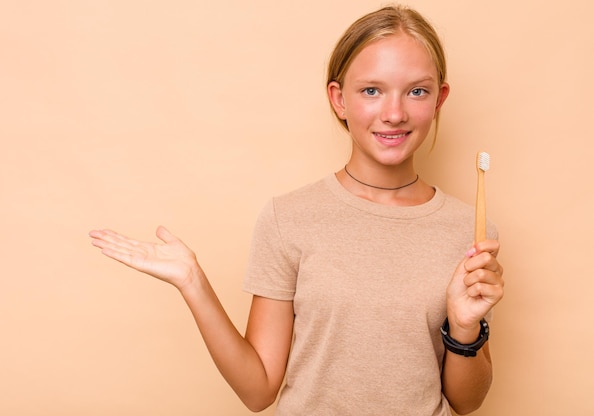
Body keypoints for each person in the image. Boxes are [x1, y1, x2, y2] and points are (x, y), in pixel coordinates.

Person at [89, 5, 504, 415]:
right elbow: (258, 391)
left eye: (417, 91)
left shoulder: (469, 230)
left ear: (439, 99)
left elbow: (467, 402)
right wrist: (193, 283)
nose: (394, 113)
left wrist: (465, 328)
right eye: (371, 90)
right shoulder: (288, 219)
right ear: (338, 99)